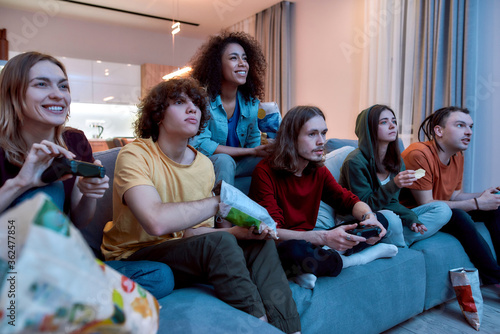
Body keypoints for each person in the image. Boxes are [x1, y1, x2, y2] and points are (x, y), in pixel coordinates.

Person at [101, 77, 301, 333]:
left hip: (181, 252)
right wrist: (218, 203)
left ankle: (289, 327)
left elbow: (192, 233)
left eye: (196, 103)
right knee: (222, 242)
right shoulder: (135, 154)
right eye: (179, 102)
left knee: (257, 241)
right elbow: (155, 222)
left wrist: (237, 232)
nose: (192, 108)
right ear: (159, 114)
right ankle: (259, 325)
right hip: (137, 256)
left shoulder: (205, 165)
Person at [0, 51, 172, 299]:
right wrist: (22, 183)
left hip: (63, 265)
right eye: (41, 84)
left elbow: (79, 221)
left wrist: (90, 194)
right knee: (49, 189)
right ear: (13, 92)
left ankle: (53, 299)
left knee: (160, 276)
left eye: (63, 86)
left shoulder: (75, 141)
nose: (58, 94)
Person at [249, 105, 398, 289]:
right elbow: (273, 233)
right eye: (312, 134)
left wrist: (369, 218)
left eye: (324, 133)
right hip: (284, 246)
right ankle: (354, 259)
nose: (321, 141)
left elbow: (348, 200)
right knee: (294, 250)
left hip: (315, 243)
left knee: (380, 219)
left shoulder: (317, 169)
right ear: (291, 138)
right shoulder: (264, 172)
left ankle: (314, 264)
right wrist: (324, 238)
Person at [402, 106, 500, 285]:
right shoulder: (418, 154)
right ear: (438, 131)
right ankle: (495, 278)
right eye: (461, 125)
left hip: (443, 208)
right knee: (459, 216)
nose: (469, 132)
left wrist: (486, 196)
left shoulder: (457, 156)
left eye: (471, 127)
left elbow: (455, 196)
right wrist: (477, 203)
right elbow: (428, 203)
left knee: (496, 207)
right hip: (419, 214)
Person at [339, 105, 452, 246]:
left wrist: (412, 218)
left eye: (394, 121)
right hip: (363, 219)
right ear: (368, 129)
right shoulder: (355, 162)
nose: (392, 126)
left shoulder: (396, 161)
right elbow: (365, 206)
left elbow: (392, 202)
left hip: (388, 216)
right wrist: (394, 184)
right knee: (391, 218)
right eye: (384, 122)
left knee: (443, 209)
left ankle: (397, 239)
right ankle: (397, 240)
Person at [190, 31, 271, 188]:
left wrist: (266, 148)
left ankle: (264, 208)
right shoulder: (201, 101)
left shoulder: (251, 104)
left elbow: (253, 144)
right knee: (224, 160)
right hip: (207, 163)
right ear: (218, 65)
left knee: (272, 161)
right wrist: (251, 152)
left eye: (245, 58)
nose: (242, 63)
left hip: (237, 165)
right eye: (234, 58)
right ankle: (224, 211)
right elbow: (201, 144)